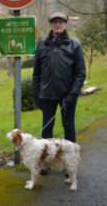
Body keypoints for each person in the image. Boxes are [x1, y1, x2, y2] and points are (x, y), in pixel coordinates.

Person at [33, 12, 86, 173]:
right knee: (46, 130)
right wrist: (37, 95)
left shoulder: (74, 45)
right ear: (50, 24)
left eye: (61, 22)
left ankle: (69, 164)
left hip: (67, 95)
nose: (58, 25)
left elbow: (80, 73)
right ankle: (47, 162)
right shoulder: (42, 46)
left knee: (68, 127)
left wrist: (72, 95)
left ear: (65, 24)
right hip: (47, 94)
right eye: (54, 22)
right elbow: (36, 74)